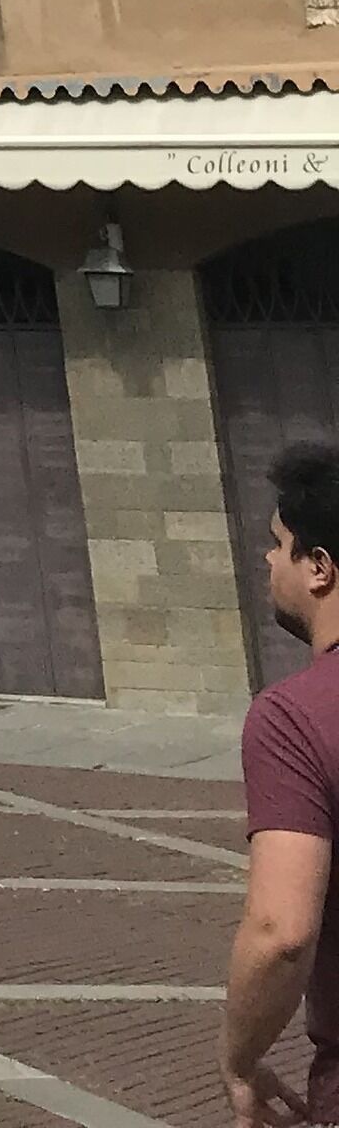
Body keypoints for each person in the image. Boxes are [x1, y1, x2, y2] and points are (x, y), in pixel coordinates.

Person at [224, 440, 339, 1123]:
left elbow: (280, 933)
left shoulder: (293, 719)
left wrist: (239, 1059)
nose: (268, 561)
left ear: (320, 567)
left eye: (278, 544)